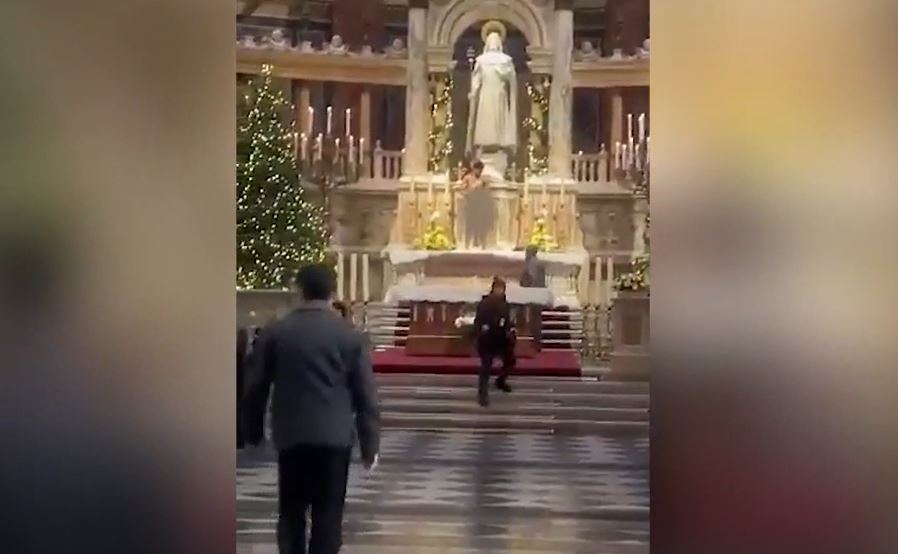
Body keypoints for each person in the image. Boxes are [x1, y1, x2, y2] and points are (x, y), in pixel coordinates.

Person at [243, 264, 380, 554]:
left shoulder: (277, 331)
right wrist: (370, 444)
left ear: (300, 289)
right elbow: (365, 394)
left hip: (291, 435)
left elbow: (256, 386)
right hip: (335, 438)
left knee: (291, 512)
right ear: (332, 292)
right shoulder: (348, 335)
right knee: (328, 515)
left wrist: (253, 431)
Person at [473, 277, 515, 406]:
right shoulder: (485, 303)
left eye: (502, 289)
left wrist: (511, 329)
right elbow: (478, 321)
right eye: (498, 288)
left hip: (501, 338)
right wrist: (483, 328)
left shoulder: (505, 304)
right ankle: (482, 394)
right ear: (493, 289)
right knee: (486, 366)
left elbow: (507, 320)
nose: (500, 291)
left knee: (510, 360)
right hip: (487, 339)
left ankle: (500, 381)